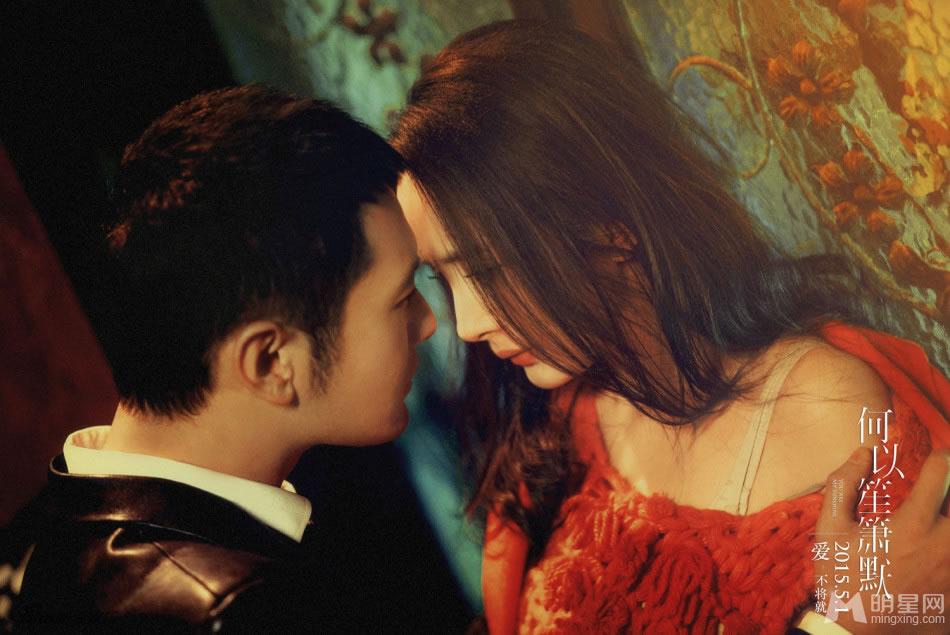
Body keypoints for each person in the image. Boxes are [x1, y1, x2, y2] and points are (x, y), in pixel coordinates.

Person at [391, 20, 950, 634]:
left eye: (487, 271)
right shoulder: (558, 424)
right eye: (442, 278)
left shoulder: (831, 414)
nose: (467, 325)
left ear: (609, 225)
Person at [8, 85, 436, 632]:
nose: (428, 322)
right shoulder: (236, 611)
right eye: (402, 297)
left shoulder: (63, 528)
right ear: (271, 361)